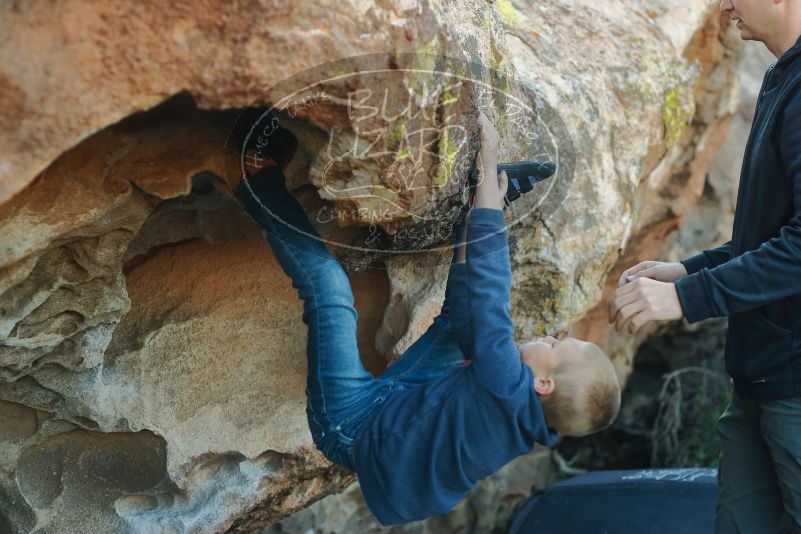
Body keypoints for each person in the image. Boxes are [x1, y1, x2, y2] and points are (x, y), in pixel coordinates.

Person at [222, 109, 621, 526]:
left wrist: (489, 177)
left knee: (330, 290)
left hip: (349, 425)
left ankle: (257, 179)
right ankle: (473, 203)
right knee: (455, 324)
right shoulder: (524, 418)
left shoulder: (505, 387)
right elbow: (471, 317)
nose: (548, 337)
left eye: (555, 345)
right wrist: (482, 206)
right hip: (399, 407)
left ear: (544, 383)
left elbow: (490, 300)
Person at [608, 1, 801, 532]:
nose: (726, 4)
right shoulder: (784, 75)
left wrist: (687, 300)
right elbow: (770, 236)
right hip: (759, 379)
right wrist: (689, 272)